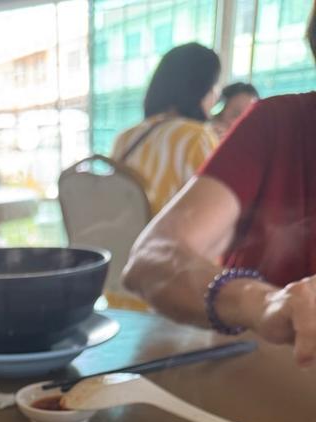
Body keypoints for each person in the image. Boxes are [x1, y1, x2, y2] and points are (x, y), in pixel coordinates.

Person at [123, 3, 316, 368]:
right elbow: (179, 245)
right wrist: (264, 301)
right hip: (187, 305)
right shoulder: (200, 138)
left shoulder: (127, 136)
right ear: (205, 92)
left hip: (129, 304)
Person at [111, 43, 221, 214]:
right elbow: (213, 213)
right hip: (168, 239)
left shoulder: (125, 138)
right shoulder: (197, 137)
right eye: (213, 87)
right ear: (201, 90)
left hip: (118, 240)